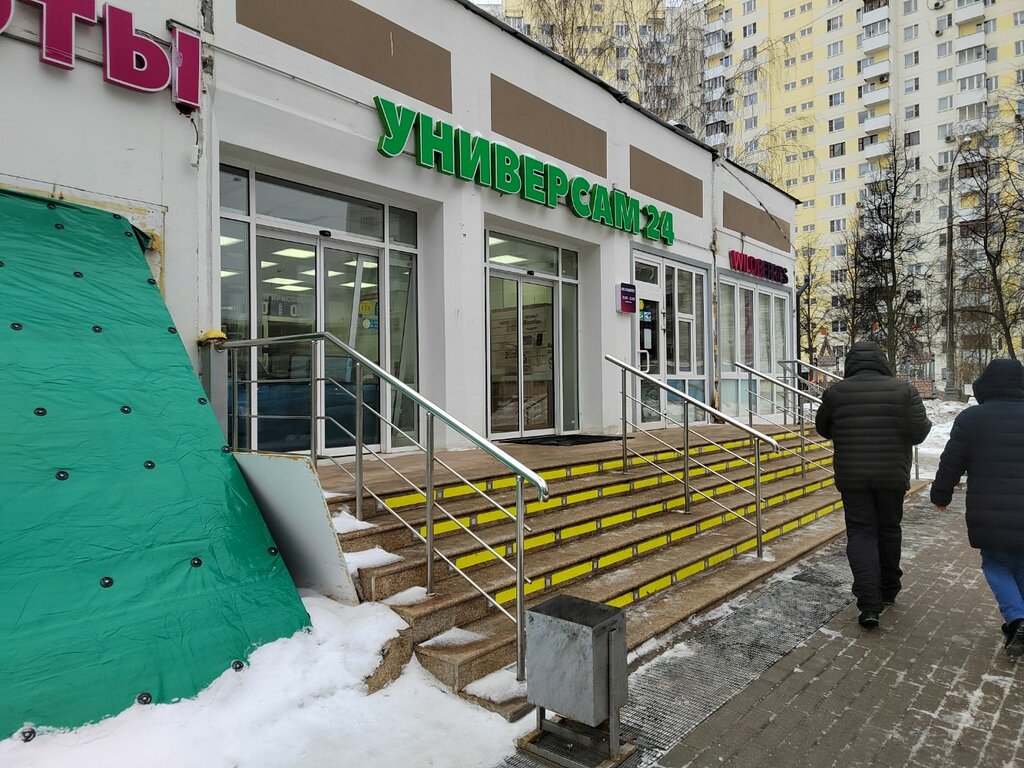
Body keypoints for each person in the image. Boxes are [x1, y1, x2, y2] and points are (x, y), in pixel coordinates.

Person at [815, 341, 931, 629]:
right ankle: (889, 588)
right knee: (889, 529)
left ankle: (868, 604)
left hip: (853, 476)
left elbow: (822, 429)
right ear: (882, 361)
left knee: (861, 533)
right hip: (892, 475)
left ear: (850, 363)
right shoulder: (904, 391)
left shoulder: (836, 393)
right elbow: (919, 432)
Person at [930, 358, 1024, 660]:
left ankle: (1017, 617)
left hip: (988, 507)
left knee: (995, 562)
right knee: (1021, 562)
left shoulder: (972, 419)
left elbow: (951, 461)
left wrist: (941, 495)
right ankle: (1019, 617)